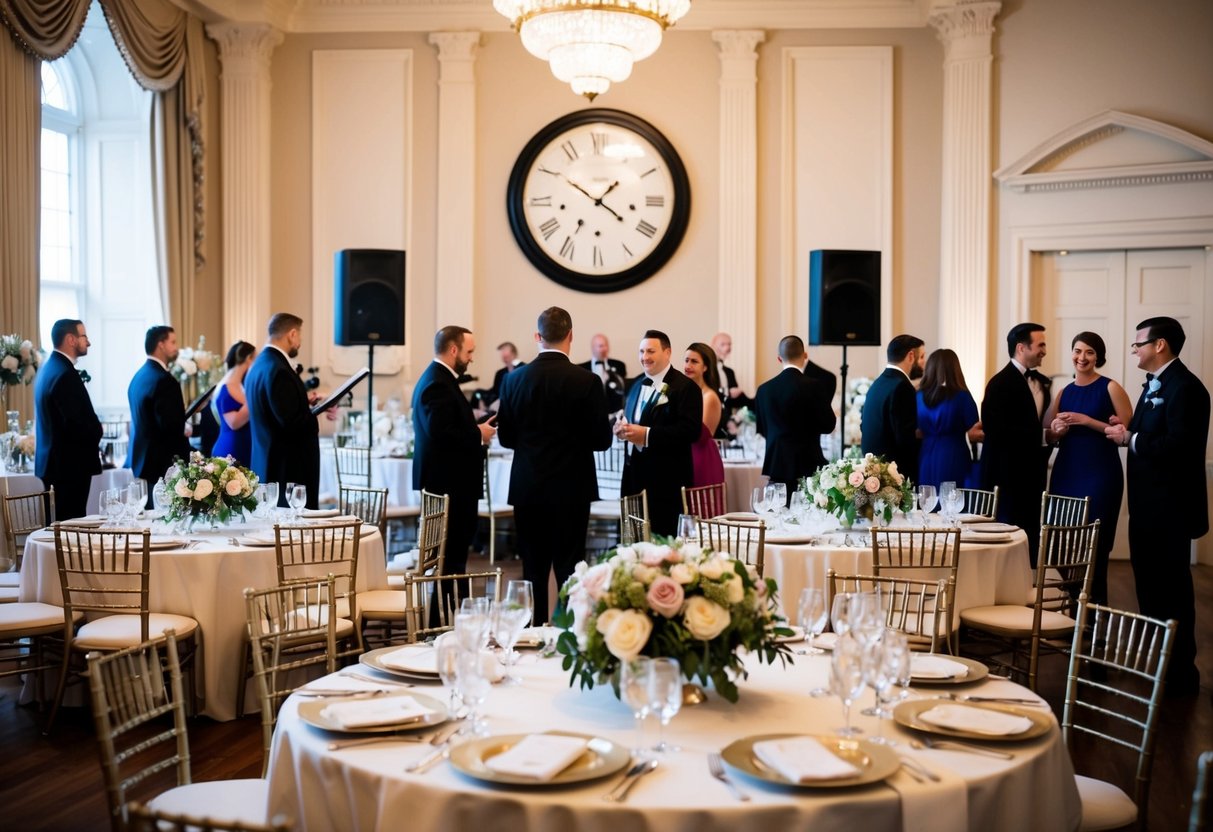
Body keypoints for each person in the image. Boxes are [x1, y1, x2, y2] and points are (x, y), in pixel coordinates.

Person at [1105, 317, 1208, 696]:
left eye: (1139, 344)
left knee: (1172, 593)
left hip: (1170, 510)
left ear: (1159, 345)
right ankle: (1160, 667)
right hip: (1147, 508)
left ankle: (1181, 676)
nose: (1134, 349)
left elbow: (1180, 446)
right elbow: (1153, 433)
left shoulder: (1186, 388)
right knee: (1149, 589)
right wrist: (1128, 430)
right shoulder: (1157, 384)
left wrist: (1128, 439)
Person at [496, 308, 611, 619]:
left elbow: (505, 438)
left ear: (537, 336)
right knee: (570, 569)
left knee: (532, 569)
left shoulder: (513, 380)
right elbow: (602, 440)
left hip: (528, 487)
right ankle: (568, 632)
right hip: (572, 489)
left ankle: (533, 633)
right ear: (571, 336)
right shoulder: (587, 381)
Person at [413, 326, 497, 616]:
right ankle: (443, 622)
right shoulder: (437, 383)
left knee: (453, 560)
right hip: (449, 485)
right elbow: (440, 433)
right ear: (453, 350)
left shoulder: (439, 378)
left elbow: (448, 425)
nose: (471, 358)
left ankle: (449, 620)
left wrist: (478, 427)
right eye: (469, 352)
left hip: (450, 483)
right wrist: (478, 434)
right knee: (450, 559)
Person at [1043, 332, 1131, 607]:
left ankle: (1094, 613)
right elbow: (1049, 431)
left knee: (1095, 543)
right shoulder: (1064, 392)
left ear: (1098, 357)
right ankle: (1066, 606)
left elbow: (1126, 432)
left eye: (1089, 352)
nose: (1082, 357)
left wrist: (1087, 420)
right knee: (1061, 540)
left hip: (1100, 473)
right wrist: (1057, 430)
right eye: (1078, 351)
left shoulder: (1110, 387)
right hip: (1066, 471)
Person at [616, 330, 702, 536]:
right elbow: (632, 420)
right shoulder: (636, 384)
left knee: (664, 541)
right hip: (633, 477)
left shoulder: (686, 387)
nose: (644, 357)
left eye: (651, 351)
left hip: (666, 480)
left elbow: (690, 432)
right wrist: (621, 429)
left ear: (667, 352)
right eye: (641, 351)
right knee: (633, 540)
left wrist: (647, 435)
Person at [981, 323, 1051, 565]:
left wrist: (1048, 436)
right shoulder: (1000, 383)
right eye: (1040, 345)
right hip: (1009, 477)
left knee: (1029, 537)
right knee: (1010, 540)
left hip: (1030, 476)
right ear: (1022, 348)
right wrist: (1043, 436)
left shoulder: (1040, 383)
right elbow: (996, 431)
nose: (1044, 351)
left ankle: (1025, 581)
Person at [245, 313, 324, 510]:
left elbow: (277, 409)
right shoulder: (279, 369)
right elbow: (291, 422)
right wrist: (314, 414)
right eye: (300, 336)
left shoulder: (259, 365)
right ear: (292, 334)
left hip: (266, 463)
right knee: (291, 528)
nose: (300, 342)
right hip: (287, 470)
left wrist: (303, 403)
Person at [754, 335, 838, 505]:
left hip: (777, 465)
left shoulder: (764, 390)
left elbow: (762, 429)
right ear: (804, 356)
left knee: (778, 513)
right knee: (808, 514)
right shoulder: (815, 386)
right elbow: (828, 425)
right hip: (809, 463)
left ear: (779, 358)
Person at [33, 319, 103, 520]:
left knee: (59, 526)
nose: (88, 342)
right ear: (71, 339)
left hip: (55, 464)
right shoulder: (64, 374)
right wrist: (97, 430)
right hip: (68, 468)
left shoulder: (49, 368)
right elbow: (76, 423)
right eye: (84, 336)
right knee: (70, 527)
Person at [126, 326, 193, 501]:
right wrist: (185, 426)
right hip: (163, 463)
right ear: (161, 345)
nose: (176, 347)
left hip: (144, 460)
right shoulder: (164, 380)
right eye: (173, 342)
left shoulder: (139, 376)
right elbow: (170, 426)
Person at [916, 348, 983, 491]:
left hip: (926, 454)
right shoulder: (962, 396)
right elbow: (975, 427)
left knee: (928, 497)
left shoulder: (918, 396)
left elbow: (916, 428)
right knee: (952, 498)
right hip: (954, 453)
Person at [861, 334, 925, 481]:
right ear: (910, 356)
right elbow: (905, 439)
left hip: (876, 470)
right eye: (921, 356)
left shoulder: (878, 383)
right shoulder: (903, 387)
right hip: (896, 473)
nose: (924, 362)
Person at [681, 343, 726, 494]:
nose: (688, 366)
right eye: (686, 360)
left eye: (694, 361)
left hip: (702, 458)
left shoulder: (709, 397)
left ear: (705, 367)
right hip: (687, 456)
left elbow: (699, 435)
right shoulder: (685, 394)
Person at [211, 341, 257, 465]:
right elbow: (234, 423)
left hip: (244, 448)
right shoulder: (226, 387)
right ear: (248, 358)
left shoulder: (241, 385)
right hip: (231, 451)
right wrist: (255, 397)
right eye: (255, 359)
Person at [578, 333, 628, 414]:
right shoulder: (581, 368)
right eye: (601, 346)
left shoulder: (619, 365)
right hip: (591, 413)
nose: (605, 349)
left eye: (606, 345)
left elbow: (622, 390)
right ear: (593, 348)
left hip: (615, 413)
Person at [710, 332, 751, 429]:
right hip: (711, 416)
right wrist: (728, 392)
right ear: (712, 346)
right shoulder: (707, 370)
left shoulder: (729, 372)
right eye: (723, 344)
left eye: (729, 344)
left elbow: (734, 401)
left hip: (727, 419)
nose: (728, 348)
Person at [471, 341, 524, 414]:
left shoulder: (523, 368)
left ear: (513, 352)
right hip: (498, 397)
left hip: (513, 399)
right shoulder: (500, 373)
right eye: (501, 351)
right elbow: (495, 390)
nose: (502, 353)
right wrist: (481, 397)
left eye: (505, 350)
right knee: (477, 393)